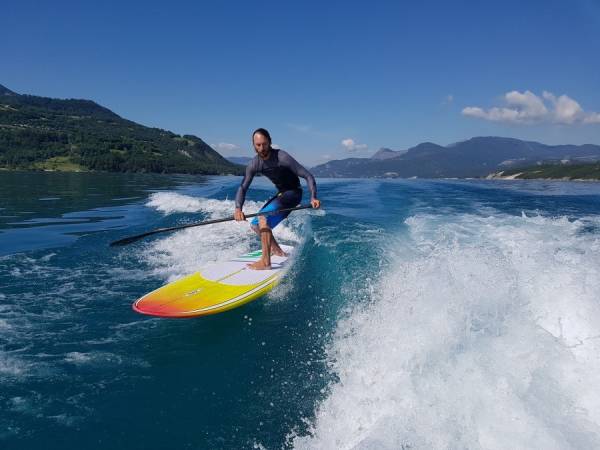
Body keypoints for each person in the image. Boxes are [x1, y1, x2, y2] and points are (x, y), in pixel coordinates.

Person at [234, 128, 321, 270]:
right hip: (282, 193)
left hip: (293, 193)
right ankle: (277, 251)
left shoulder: (282, 157)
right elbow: (243, 187)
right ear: (253, 145)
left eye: (264, 144)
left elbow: (308, 176)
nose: (262, 148)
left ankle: (266, 262)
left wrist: (313, 197)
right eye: (258, 145)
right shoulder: (254, 164)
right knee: (255, 224)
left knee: (263, 217)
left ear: (270, 142)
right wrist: (238, 208)